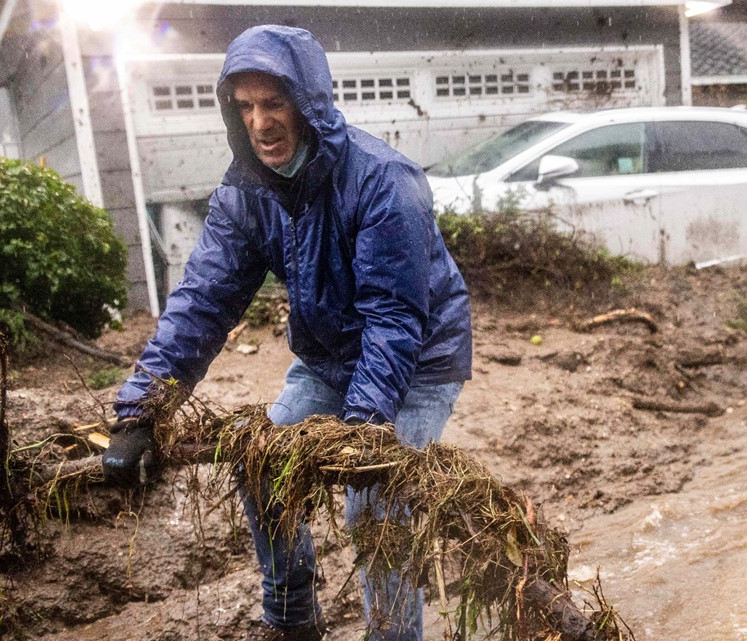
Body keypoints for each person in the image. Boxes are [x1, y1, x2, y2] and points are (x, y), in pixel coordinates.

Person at [101, 24, 473, 641]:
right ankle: (293, 619)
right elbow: (202, 303)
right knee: (261, 462)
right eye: (244, 106)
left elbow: (394, 319)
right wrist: (140, 411)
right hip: (328, 358)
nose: (260, 122)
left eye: (274, 103)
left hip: (417, 361)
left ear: (310, 104)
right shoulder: (245, 192)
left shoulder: (383, 181)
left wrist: (363, 430)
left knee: (376, 503)